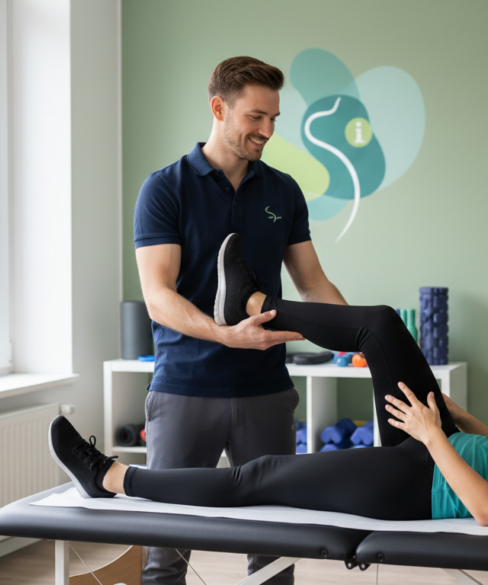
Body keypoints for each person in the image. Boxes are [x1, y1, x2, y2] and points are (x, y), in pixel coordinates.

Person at [53, 235, 488, 529]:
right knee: (379, 324)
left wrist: (435, 437)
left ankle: (112, 478)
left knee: (255, 478)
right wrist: (451, 416)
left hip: (414, 482)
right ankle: (256, 305)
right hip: (432, 440)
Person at [133, 57, 346, 585]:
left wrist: (362, 335)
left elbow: (312, 282)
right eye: (256, 117)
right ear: (218, 108)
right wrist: (225, 334)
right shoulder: (165, 189)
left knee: (274, 546)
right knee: (167, 547)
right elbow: (158, 295)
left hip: (266, 391)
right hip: (185, 389)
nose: (268, 131)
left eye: (274, 118)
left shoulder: (283, 191)